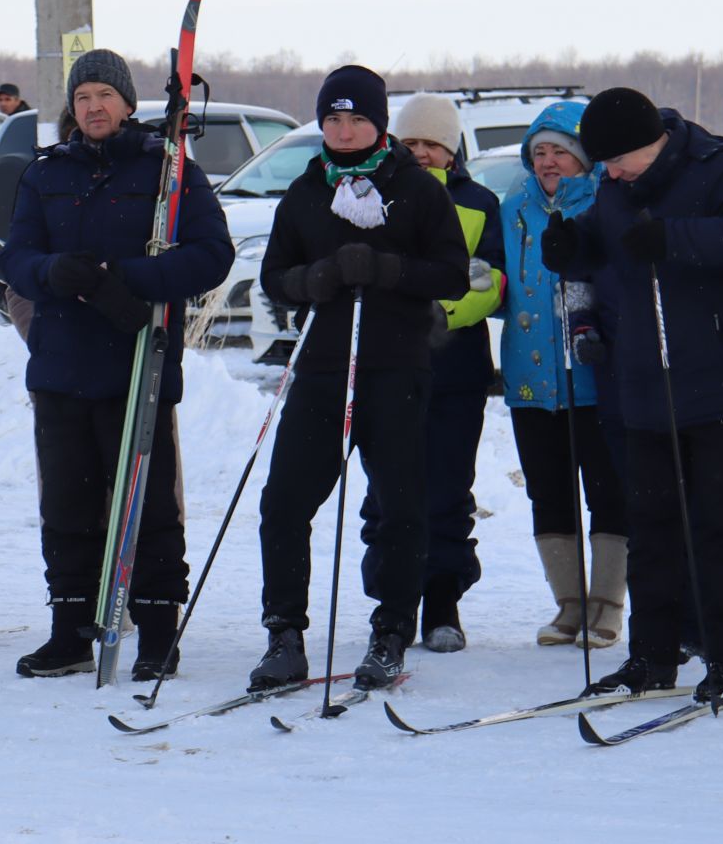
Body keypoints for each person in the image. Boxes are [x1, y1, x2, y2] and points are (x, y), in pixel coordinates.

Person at [542, 87, 723, 704]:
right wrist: (573, 248)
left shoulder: (719, 168)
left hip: (722, 383)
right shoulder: (618, 187)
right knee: (650, 527)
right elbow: (605, 242)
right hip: (643, 384)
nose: (609, 173)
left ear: (646, 143)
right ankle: (651, 657)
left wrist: (675, 237)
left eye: (615, 160)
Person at [0, 49, 234, 679]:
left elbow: (213, 254)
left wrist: (124, 279)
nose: (93, 107)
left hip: (138, 363)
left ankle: (157, 631)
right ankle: (72, 628)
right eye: (81, 98)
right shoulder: (45, 174)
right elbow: (16, 258)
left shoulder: (168, 169)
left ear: (128, 104)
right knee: (67, 508)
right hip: (61, 365)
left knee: (149, 504)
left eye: (104, 94)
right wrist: (53, 271)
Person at [250, 66, 469, 692]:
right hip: (321, 368)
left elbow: (452, 273)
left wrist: (386, 269)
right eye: (333, 119)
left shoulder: (417, 189)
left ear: (379, 125)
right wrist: (311, 281)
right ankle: (284, 635)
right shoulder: (305, 190)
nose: (344, 132)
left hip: (396, 367)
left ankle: (392, 632)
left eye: (357, 120)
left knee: (401, 505)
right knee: (285, 502)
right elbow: (275, 277)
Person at [357, 93, 504, 653]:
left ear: (452, 150)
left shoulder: (478, 202)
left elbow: (487, 282)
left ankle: (443, 600)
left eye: (433, 145)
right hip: (385, 366)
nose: (421, 153)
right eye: (411, 143)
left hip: (452, 368)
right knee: (387, 489)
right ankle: (392, 601)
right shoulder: (372, 194)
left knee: (446, 489)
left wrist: (439, 312)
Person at [499, 99, 630, 648]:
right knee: (548, 492)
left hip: (594, 378)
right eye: (540, 152)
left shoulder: (607, 202)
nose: (549, 162)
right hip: (531, 380)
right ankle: (568, 605)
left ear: (584, 157)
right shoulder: (515, 206)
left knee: (607, 489)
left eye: (561, 151)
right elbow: (502, 283)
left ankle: (606, 606)